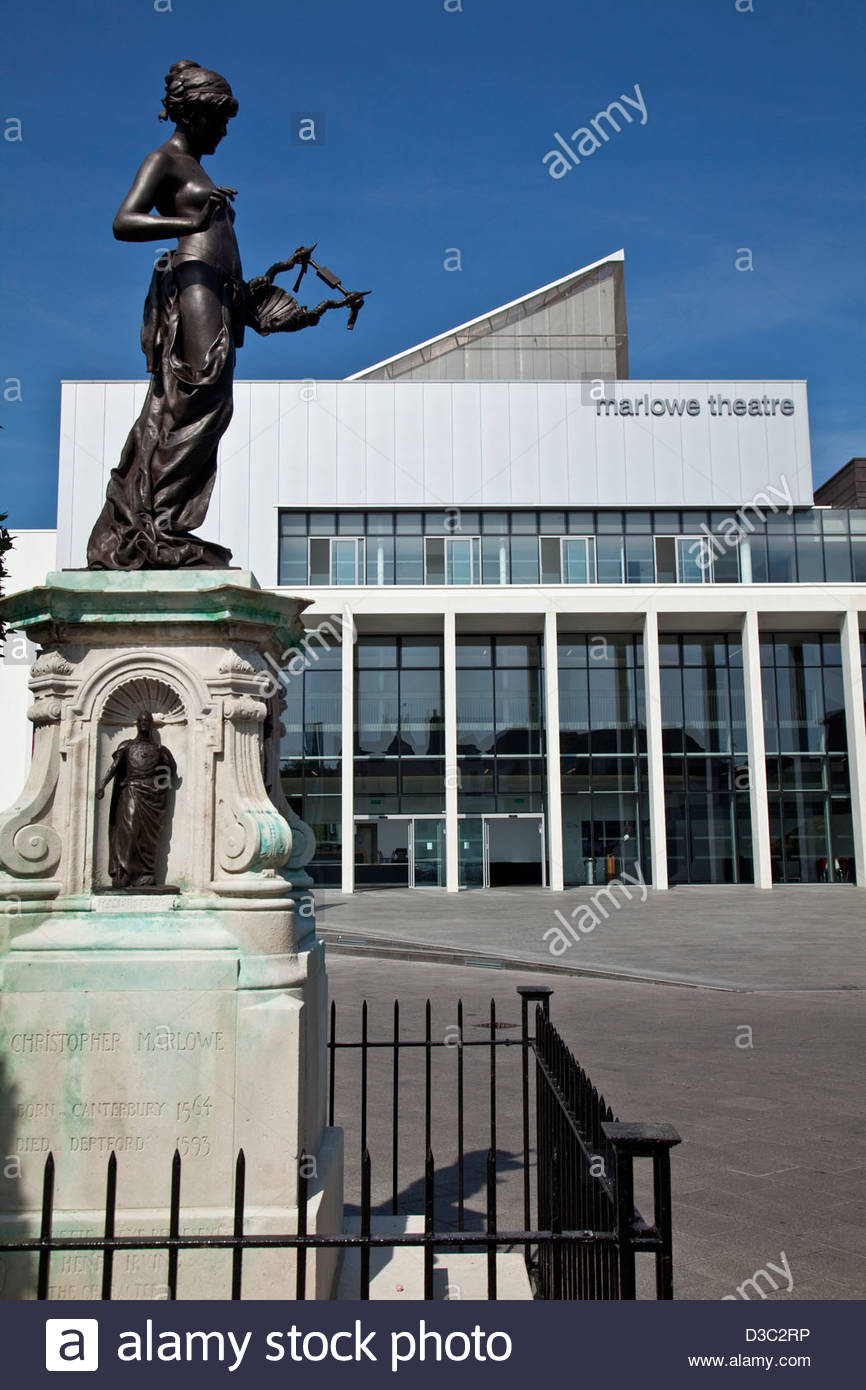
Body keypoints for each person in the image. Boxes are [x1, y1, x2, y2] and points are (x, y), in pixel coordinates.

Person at [87, 60, 356, 570]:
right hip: (192, 281)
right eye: (220, 120)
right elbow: (124, 222)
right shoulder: (163, 160)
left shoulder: (199, 170)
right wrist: (189, 217)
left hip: (221, 288)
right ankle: (156, 522)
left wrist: (254, 302)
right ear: (194, 114)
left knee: (211, 402)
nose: (226, 131)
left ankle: (162, 518)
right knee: (199, 390)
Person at [96, 711, 178, 888]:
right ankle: (124, 873)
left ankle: (146, 873)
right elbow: (114, 768)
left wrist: (161, 786)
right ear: (136, 724)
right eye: (141, 721)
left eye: (147, 721)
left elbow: (170, 770)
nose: (144, 724)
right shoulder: (127, 746)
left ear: (151, 724)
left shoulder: (159, 750)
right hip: (131, 792)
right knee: (129, 832)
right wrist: (102, 784)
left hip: (152, 798)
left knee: (147, 837)